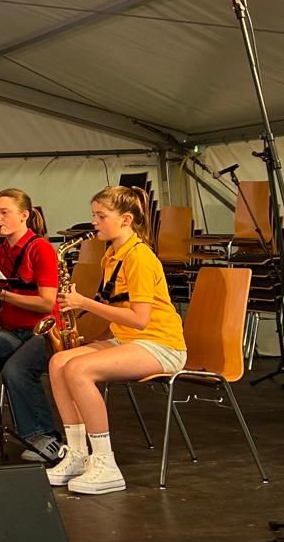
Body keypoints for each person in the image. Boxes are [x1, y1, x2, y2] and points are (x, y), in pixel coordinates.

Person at [45, 186, 186, 495]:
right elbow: (118, 309)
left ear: (125, 219)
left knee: (78, 369)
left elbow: (140, 319)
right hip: (128, 341)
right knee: (58, 363)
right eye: (93, 215)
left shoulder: (140, 257)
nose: (94, 222)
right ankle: (78, 454)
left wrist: (84, 303)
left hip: (161, 344)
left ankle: (106, 464)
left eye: (101, 216)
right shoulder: (111, 255)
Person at [0, 189, 62, 462]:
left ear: (24, 215)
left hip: (44, 331)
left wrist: (0, 295)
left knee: (16, 370)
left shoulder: (41, 248)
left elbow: (46, 303)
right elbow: (3, 299)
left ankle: (45, 436)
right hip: (12, 329)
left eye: (4, 212)